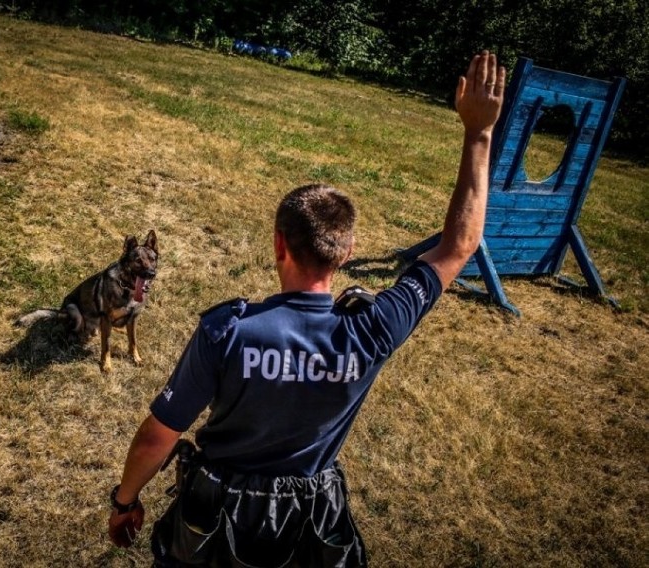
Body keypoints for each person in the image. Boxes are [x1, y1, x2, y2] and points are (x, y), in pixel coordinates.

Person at [107, 51, 506, 567]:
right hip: (311, 524)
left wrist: (124, 501)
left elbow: (159, 434)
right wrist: (479, 134)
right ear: (348, 251)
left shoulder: (228, 330)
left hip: (213, 518)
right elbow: (458, 246)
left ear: (278, 245)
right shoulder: (375, 328)